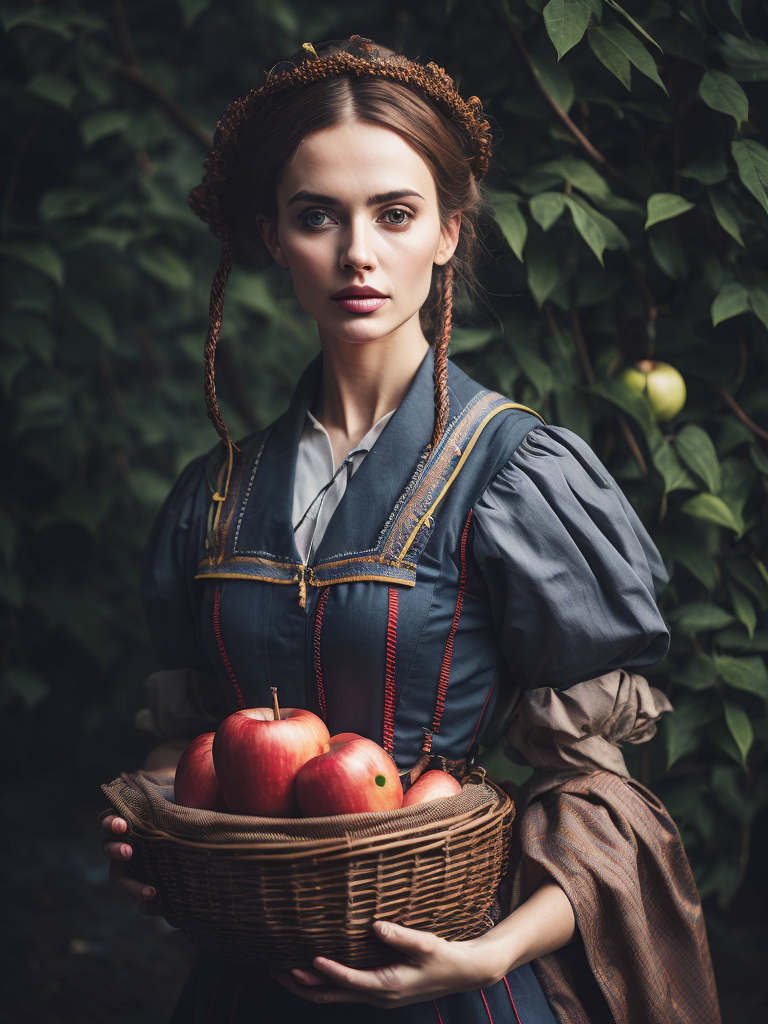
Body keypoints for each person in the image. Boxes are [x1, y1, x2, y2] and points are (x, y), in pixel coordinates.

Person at [101, 36, 721, 1024]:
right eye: (317, 217)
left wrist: (483, 957)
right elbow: (187, 750)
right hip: (248, 986)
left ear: (447, 230)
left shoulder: (520, 476)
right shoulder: (211, 494)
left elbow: (608, 807)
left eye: (395, 214)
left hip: (450, 976)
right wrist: (156, 831)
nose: (358, 253)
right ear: (272, 236)